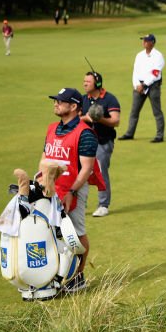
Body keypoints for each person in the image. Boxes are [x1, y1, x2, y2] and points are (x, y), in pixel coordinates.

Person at [41, 87, 105, 293]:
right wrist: (40, 182)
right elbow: (44, 159)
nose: (56, 104)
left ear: (74, 106)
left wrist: (72, 192)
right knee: (51, 233)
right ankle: (56, 274)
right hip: (50, 189)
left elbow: (86, 169)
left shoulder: (85, 134)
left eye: (60, 101)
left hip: (74, 189)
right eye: (55, 101)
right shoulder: (52, 128)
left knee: (76, 233)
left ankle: (78, 277)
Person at [82, 70, 120, 217]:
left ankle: (103, 205)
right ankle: (80, 203)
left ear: (97, 84)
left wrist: (100, 119)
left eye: (88, 81)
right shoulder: (83, 99)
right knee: (81, 172)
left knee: (100, 172)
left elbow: (115, 121)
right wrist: (87, 118)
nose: (85, 83)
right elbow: (75, 119)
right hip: (85, 142)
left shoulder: (110, 99)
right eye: (84, 81)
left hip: (103, 141)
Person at [119, 34, 165, 143]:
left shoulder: (158, 56)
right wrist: (136, 85)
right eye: (143, 40)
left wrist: (144, 85)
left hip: (153, 86)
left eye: (146, 40)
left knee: (157, 111)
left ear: (152, 42)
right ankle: (130, 133)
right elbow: (135, 71)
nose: (143, 42)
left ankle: (160, 135)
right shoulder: (139, 55)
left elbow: (155, 73)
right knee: (134, 111)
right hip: (139, 87)